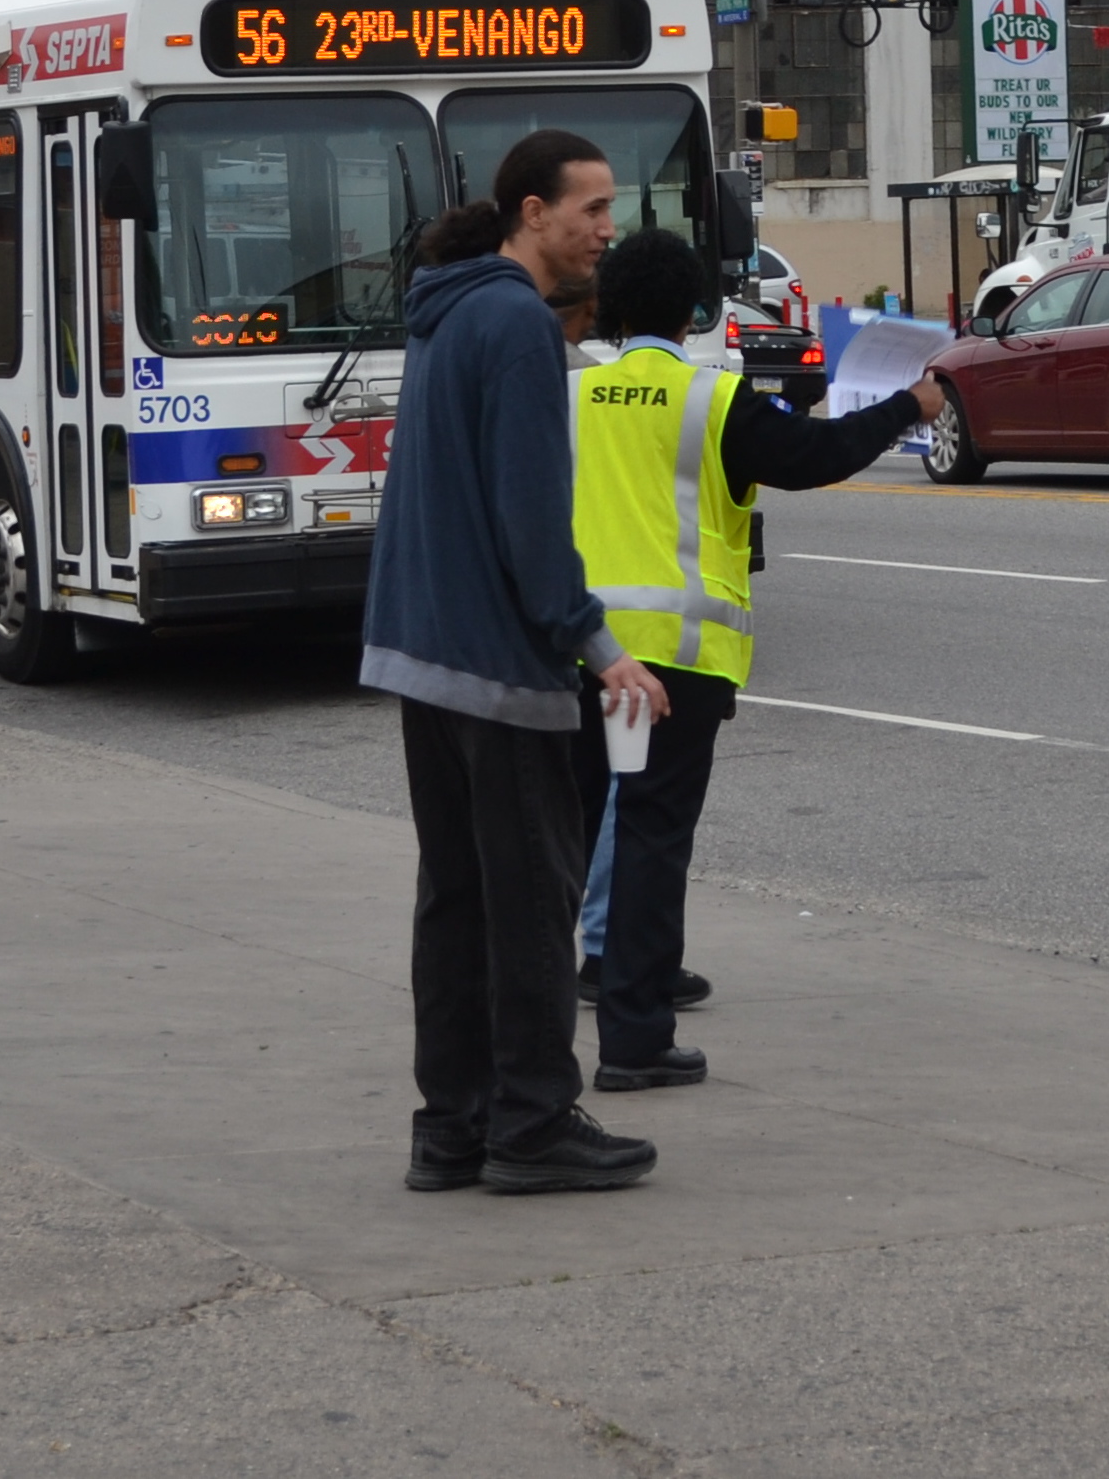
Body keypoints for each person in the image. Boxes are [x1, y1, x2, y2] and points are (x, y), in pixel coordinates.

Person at [361, 130, 670, 1198]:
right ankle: (532, 1120)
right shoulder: (514, 324)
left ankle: (449, 1125)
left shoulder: (445, 314)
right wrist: (601, 646)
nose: (605, 228)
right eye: (588, 207)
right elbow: (531, 520)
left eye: (608, 207)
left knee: (453, 902)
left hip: (418, 651)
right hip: (496, 664)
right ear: (529, 211)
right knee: (533, 902)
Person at [568, 227, 943, 1093]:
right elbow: (813, 457)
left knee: (565, 838)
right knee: (652, 844)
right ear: (697, 308)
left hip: (579, 654)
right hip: (676, 666)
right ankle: (633, 1042)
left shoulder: (568, 395)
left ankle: (531, 1042)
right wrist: (907, 408)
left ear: (611, 308)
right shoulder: (713, 398)